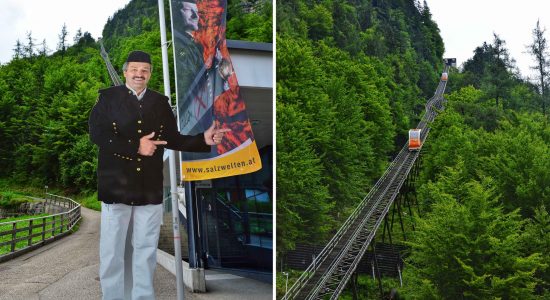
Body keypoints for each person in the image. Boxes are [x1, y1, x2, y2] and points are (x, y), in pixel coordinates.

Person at [89, 50, 230, 300]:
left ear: (150, 73)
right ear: (125, 72)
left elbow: (172, 138)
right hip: (115, 188)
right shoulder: (107, 98)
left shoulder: (160, 102)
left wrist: (202, 139)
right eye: (134, 69)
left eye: (144, 70)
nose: (139, 74)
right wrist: (136, 145)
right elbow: (98, 135)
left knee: (145, 251)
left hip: (150, 187)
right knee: (112, 252)